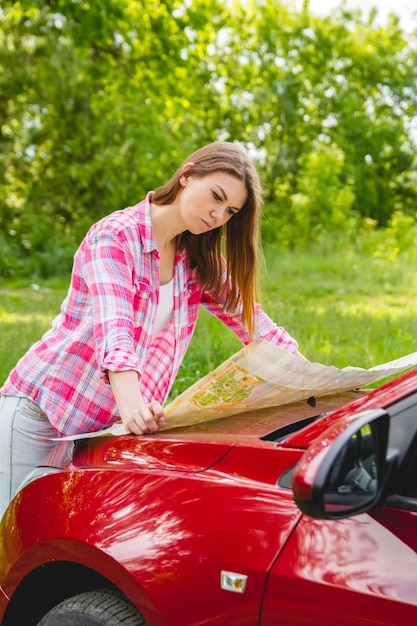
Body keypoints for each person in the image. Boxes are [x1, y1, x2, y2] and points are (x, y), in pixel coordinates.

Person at [0, 141, 300, 517]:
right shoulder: (114, 236)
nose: (218, 214)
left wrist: (319, 381)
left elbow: (256, 325)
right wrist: (133, 407)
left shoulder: (197, 259)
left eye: (230, 211)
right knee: (7, 531)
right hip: (43, 412)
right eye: (216, 197)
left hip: (100, 434)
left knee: (49, 536)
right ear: (187, 175)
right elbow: (116, 329)